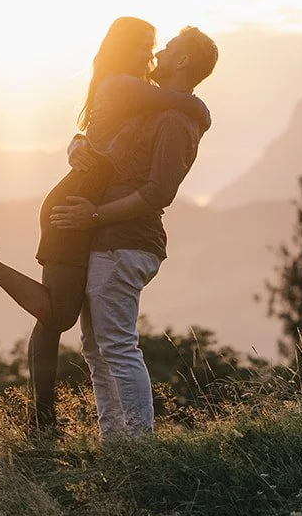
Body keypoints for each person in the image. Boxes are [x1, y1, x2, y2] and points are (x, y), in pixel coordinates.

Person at [0, 18, 211, 430]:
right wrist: (200, 107)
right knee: (60, 318)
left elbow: (114, 148)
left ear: (183, 58)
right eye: (146, 46)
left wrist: (79, 144)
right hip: (74, 207)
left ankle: (50, 429)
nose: (154, 54)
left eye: (160, 46)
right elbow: (184, 105)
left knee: (72, 328)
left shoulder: (149, 102)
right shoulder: (129, 87)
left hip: (86, 212)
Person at [50, 26, 218, 438]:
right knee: (97, 349)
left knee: (118, 347)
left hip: (126, 244)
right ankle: (115, 444)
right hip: (108, 241)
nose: (158, 53)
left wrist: (93, 217)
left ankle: (139, 448)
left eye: (169, 48)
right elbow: (108, 145)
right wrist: (79, 146)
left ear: (181, 61)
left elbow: (159, 192)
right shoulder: (154, 108)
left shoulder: (177, 119)